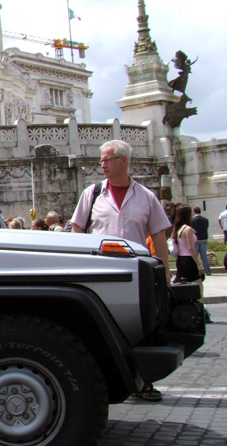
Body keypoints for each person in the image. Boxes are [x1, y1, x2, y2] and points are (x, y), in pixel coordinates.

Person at [70, 139, 171, 401]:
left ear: (123, 161)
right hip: (99, 273)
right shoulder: (91, 194)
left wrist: (166, 276)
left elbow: (159, 238)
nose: (101, 164)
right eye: (101, 160)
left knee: (141, 328)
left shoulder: (146, 197)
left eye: (107, 160)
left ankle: (144, 382)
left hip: (137, 273)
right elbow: (77, 231)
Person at [171, 205, 205, 288]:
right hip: (189, 258)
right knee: (198, 286)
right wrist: (199, 264)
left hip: (181, 259)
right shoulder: (188, 229)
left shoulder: (179, 229)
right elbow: (191, 247)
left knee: (184, 285)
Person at [190, 206, 212, 275]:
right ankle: (208, 271)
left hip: (196, 239)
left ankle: (195, 271)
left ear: (194, 212)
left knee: (195, 256)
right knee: (204, 256)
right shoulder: (205, 219)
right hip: (204, 238)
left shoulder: (192, 220)